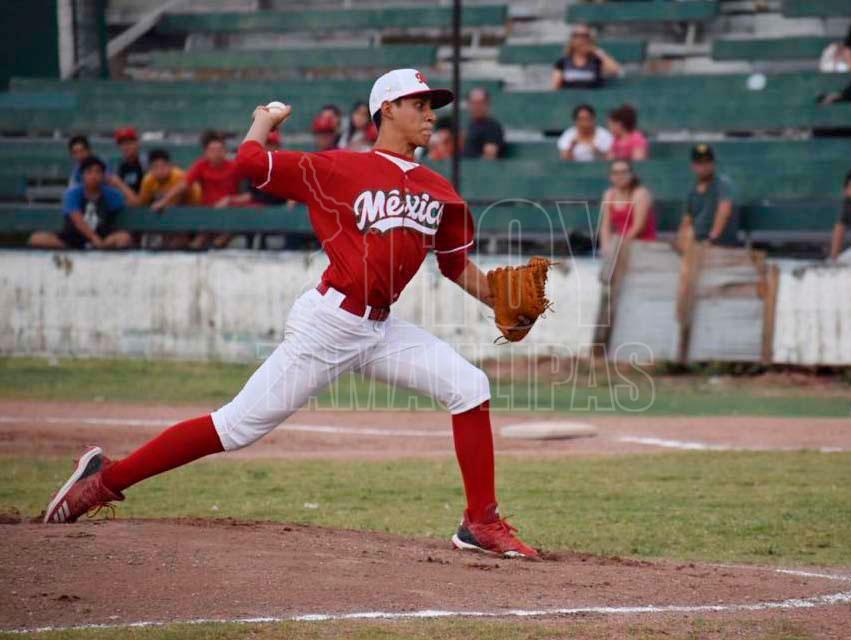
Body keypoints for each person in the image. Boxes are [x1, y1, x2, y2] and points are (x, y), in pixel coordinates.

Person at [41, 67, 540, 559]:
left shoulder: (439, 190)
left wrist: (500, 301)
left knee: (469, 386)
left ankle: (480, 523)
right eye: (420, 104)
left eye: (433, 107)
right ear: (387, 109)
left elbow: (455, 266)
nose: (431, 115)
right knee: (235, 427)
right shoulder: (337, 167)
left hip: (379, 329)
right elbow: (251, 163)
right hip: (329, 325)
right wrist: (264, 121)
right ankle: (103, 480)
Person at [154, 130, 242, 250]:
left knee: (221, 239)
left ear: (225, 151)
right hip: (207, 215)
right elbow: (184, 184)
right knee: (197, 242)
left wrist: (230, 200)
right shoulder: (201, 165)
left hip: (230, 215)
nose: (216, 154)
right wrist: (164, 201)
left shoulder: (235, 167)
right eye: (212, 150)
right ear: (206, 152)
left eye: (220, 150)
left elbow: (250, 193)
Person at [28, 156, 132, 250]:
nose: (94, 176)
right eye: (89, 172)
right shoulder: (72, 193)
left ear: (103, 175)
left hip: (102, 238)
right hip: (72, 239)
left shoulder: (111, 194)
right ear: (82, 175)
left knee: (124, 238)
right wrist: (94, 238)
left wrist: (119, 183)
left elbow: (133, 202)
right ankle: (70, 253)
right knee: (37, 238)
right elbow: (77, 220)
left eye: (98, 172)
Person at [678, 144, 739, 249]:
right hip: (697, 244)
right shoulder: (692, 190)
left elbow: (723, 212)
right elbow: (686, 221)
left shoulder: (722, 184)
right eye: (700, 163)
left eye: (707, 161)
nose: (704, 166)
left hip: (719, 246)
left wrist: (711, 239)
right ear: (693, 166)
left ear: (713, 163)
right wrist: (681, 241)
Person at [599, 159, 656, 257]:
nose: (620, 176)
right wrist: (606, 248)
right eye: (615, 173)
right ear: (610, 176)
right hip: (620, 247)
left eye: (624, 172)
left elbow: (638, 227)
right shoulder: (608, 194)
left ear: (631, 174)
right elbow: (605, 226)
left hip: (642, 246)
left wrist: (618, 248)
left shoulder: (640, 194)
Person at [552, 24, 621, 90]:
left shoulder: (597, 61)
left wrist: (597, 51)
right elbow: (555, 87)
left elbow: (616, 70)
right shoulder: (562, 62)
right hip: (569, 97)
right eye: (577, 35)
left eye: (585, 36)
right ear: (572, 39)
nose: (581, 39)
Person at [462, 88, 504, 160]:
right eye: (473, 103)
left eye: (480, 103)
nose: (476, 107)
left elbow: (489, 157)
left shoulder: (492, 127)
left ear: (487, 104)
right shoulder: (469, 124)